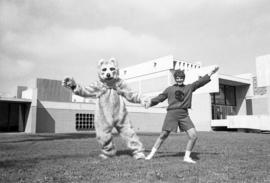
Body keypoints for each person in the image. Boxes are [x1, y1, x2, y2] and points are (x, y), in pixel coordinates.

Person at [144, 66, 219, 163]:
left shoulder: (189, 87)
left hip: (184, 114)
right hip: (172, 114)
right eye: (178, 78)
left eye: (181, 78)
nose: (179, 79)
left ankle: (187, 157)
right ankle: (151, 154)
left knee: (193, 136)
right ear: (175, 79)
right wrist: (150, 103)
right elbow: (160, 98)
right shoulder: (169, 89)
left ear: (184, 78)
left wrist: (211, 72)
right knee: (163, 135)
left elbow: (199, 83)